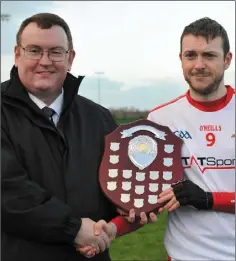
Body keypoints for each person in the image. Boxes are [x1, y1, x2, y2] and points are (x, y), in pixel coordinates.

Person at [1, 13, 155, 261]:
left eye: (55, 51)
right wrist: (73, 229)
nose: (45, 61)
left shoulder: (100, 118)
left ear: (70, 59)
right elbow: (8, 193)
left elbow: (114, 183)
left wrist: (132, 204)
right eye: (34, 50)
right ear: (17, 55)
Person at [80, 17, 235, 260]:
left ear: (227, 60)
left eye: (209, 55)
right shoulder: (161, 120)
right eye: (191, 55)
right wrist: (111, 230)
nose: (199, 64)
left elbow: (202, 198)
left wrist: (208, 199)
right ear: (181, 59)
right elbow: (146, 198)